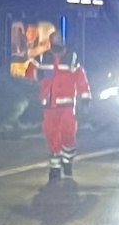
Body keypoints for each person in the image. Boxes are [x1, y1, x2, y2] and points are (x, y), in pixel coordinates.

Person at [37, 41, 91, 184]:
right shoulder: (43, 58)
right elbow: (32, 72)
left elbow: (81, 79)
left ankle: (67, 161)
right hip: (49, 106)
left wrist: (85, 98)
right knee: (51, 135)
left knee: (68, 134)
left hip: (66, 106)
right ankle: (54, 169)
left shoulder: (71, 59)